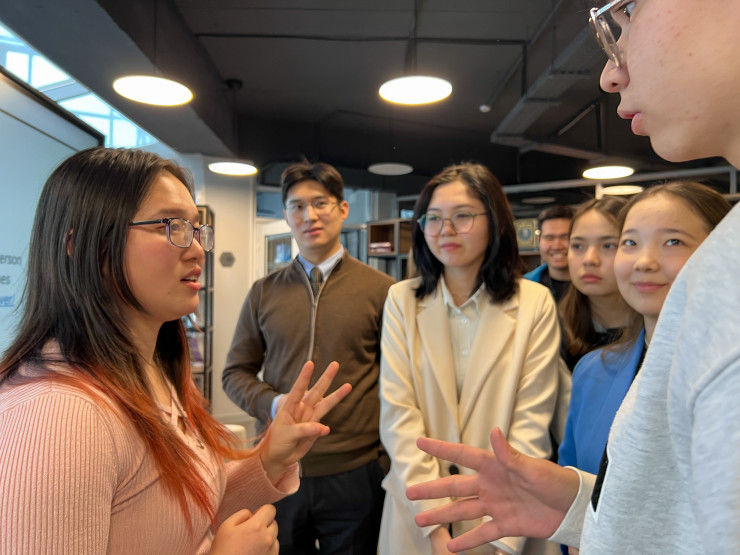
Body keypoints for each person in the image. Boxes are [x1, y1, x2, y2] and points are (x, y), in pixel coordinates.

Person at [405, 1, 740, 553]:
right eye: (629, 243)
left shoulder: (720, 285)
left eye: (626, 14)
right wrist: (586, 505)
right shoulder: (706, 284)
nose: (610, 72)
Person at [0, 147, 351, 554]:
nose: (198, 249)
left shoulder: (152, 372)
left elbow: (185, 519)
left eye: (196, 229)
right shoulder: (57, 413)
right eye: (171, 226)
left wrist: (270, 457)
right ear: (87, 246)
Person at [379, 162, 564, 555]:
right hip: (420, 512)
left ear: (494, 222)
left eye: (462, 216)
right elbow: (398, 417)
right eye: (433, 218)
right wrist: (435, 527)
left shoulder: (534, 303)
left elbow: (531, 424)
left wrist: (503, 541)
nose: (445, 230)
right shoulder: (401, 300)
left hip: (510, 515)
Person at [222, 160, 394, 554]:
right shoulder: (264, 291)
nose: (309, 215)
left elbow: (398, 381)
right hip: (278, 467)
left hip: (356, 471)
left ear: (343, 209)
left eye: (320, 203)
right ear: (286, 215)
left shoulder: (383, 290)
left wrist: (384, 461)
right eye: (297, 206)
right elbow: (235, 372)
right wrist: (274, 403)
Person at [558, 181, 731, 476]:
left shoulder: (728, 374)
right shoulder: (593, 372)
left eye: (673, 242)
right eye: (630, 243)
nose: (644, 262)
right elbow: (571, 481)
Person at [558, 197, 633, 370]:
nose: (589, 259)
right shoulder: (551, 327)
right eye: (578, 246)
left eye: (608, 245)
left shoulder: (660, 328)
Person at [524, 205, 574, 302]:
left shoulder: (597, 286)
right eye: (549, 238)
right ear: (539, 241)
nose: (557, 246)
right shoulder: (523, 287)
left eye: (565, 237)